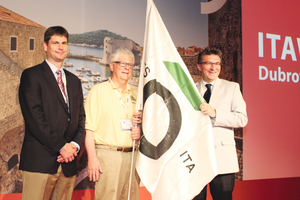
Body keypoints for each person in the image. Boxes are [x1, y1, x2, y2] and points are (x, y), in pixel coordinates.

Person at [18, 26, 86, 200]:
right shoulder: (31, 76)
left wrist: (74, 147)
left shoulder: (75, 81)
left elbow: (80, 119)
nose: (60, 47)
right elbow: (35, 118)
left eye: (64, 43)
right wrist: (62, 147)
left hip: (68, 164)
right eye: (56, 43)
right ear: (45, 46)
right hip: (39, 162)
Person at [84, 48, 141, 200]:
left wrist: (140, 131)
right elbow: (89, 129)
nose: (127, 68)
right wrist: (92, 158)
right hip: (108, 156)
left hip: (133, 156)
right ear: (111, 66)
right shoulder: (97, 91)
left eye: (130, 65)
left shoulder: (137, 95)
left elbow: (143, 125)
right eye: (122, 63)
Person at [193, 48, 248, 200]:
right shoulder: (190, 89)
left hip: (222, 159)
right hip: (196, 159)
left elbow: (242, 119)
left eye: (216, 63)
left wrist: (215, 113)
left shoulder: (232, 88)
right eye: (208, 63)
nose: (213, 68)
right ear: (199, 66)